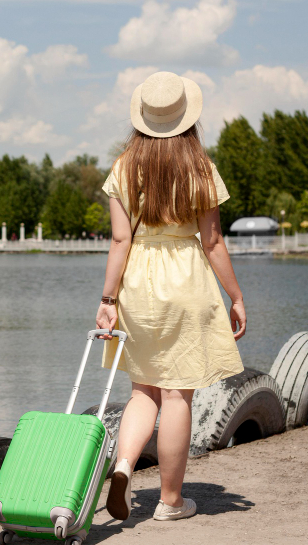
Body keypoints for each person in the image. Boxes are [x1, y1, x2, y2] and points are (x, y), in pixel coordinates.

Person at [95, 71, 246, 522]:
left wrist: (108, 299)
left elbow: (120, 241)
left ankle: (123, 466)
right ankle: (171, 501)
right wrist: (235, 295)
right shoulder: (201, 168)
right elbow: (214, 241)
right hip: (186, 280)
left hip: (139, 282)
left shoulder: (123, 167)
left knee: (143, 389)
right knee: (178, 395)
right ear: (187, 118)